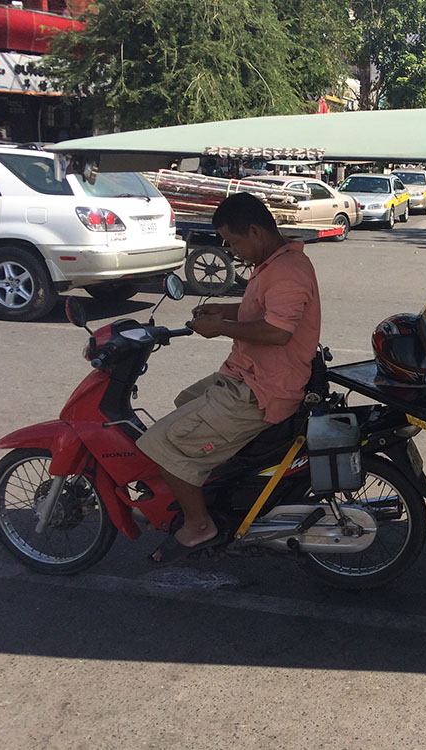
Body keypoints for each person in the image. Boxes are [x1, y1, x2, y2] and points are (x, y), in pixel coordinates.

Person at [137, 192, 322, 565]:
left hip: (261, 389)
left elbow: (278, 332)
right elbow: (262, 310)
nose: (233, 251)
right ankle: (215, 486)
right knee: (185, 400)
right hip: (245, 375)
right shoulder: (274, 263)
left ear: (255, 231)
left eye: (235, 242)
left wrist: (222, 327)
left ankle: (199, 525)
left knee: (159, 443)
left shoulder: (287, 272)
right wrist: (226, 309)